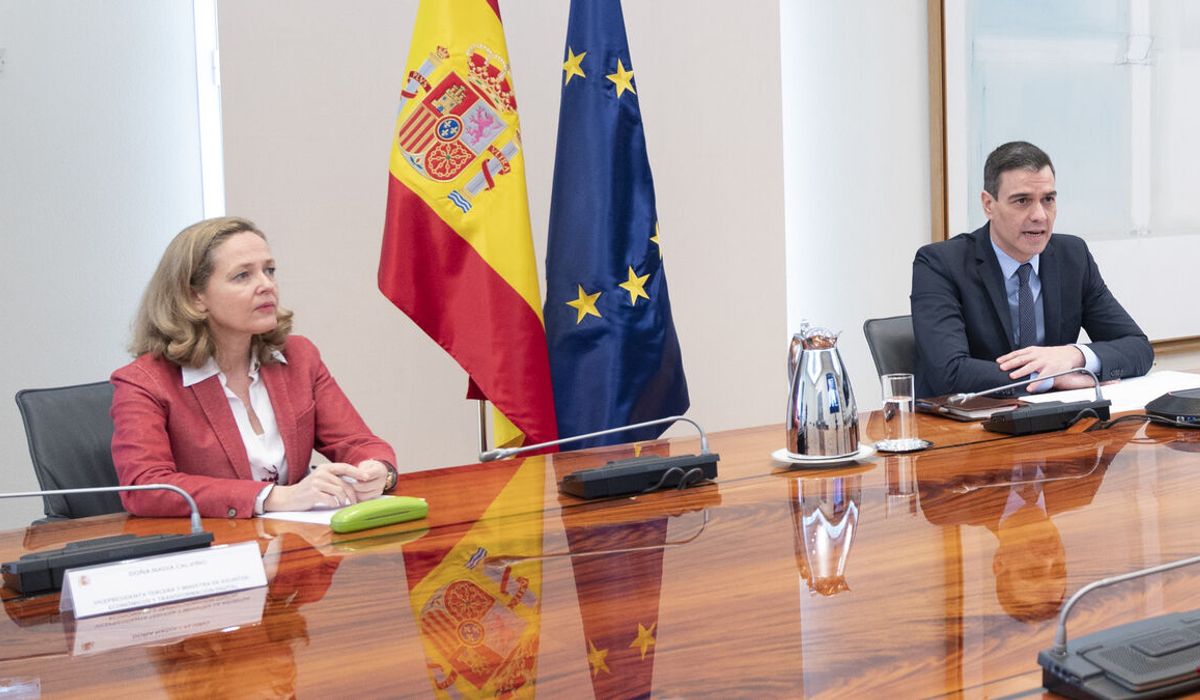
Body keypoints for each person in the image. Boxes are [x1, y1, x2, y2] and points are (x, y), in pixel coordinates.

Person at [111, 216, 398, 518]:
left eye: (269, 270)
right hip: (215, 542)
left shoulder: (299, 357)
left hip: (295, 539)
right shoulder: (144, 383)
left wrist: (377, 470)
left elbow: (357, 443)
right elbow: (145, 487)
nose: (266, 285)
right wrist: (274, 497)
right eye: (242, 276)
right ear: (195, 297)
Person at [911, 141, 1153, 397]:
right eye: (1022, 201)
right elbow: (949, 373)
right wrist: (1048, 378)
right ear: (988, 204)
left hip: (1056, 417)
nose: (1040, 215)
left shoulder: (1072, 256)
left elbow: (1138, 348)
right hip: (971, 417)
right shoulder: (940, 264)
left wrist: (1074, 355)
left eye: (1048, 199)